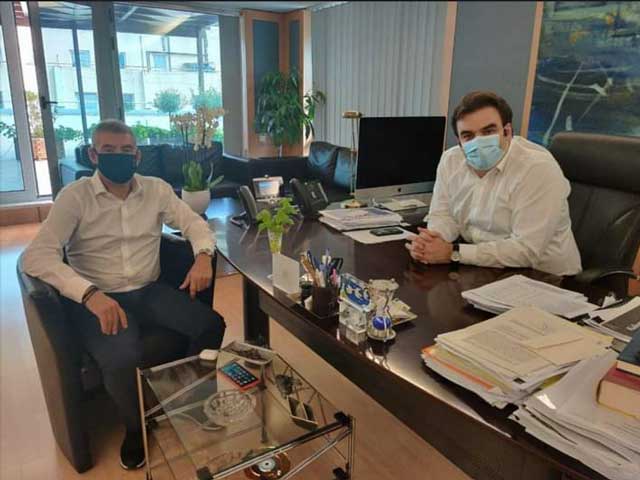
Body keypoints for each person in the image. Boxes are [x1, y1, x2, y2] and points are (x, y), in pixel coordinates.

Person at [22, 120, 225, 470]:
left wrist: (204, 255)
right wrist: (89, 295)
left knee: (211, 325)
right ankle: (136, 428)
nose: (119, 156)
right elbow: (36, 256)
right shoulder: (75, 197)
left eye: (126, 150)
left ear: (137, 155)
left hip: (149, 290)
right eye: (109, 150)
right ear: (93, 155)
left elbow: (193, 223)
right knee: (121, 357)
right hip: (100, 299)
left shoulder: (156, 189)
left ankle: (188, 401)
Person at [406, 91, 581, 276]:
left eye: (488, 132)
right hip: (485, 268)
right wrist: (432, 241)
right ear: (459, 142)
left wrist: (453, 252)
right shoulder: (451, 160)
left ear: (507, 132)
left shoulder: (537, 169)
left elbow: (526, 250)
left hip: (546, 277)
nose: (478, 142)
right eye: (468, 135)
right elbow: (443, 215)